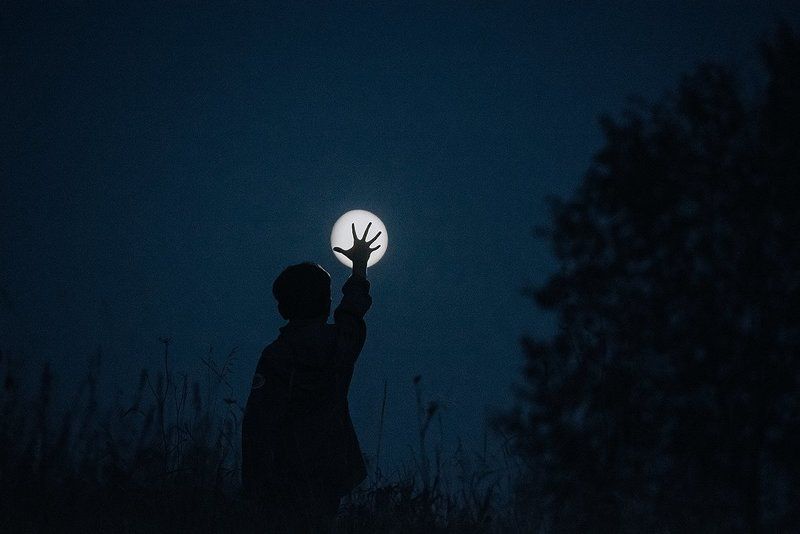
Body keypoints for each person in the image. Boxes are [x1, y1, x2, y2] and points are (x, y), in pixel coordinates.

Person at [242, 222, 381, 532]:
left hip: (283, 477)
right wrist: (359, 266)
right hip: (328, 474)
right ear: (325, 303)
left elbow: (257, 424)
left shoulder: (276, 355)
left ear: (283, 308)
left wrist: (252, 486)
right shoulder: (339, 345)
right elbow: (352, 311)